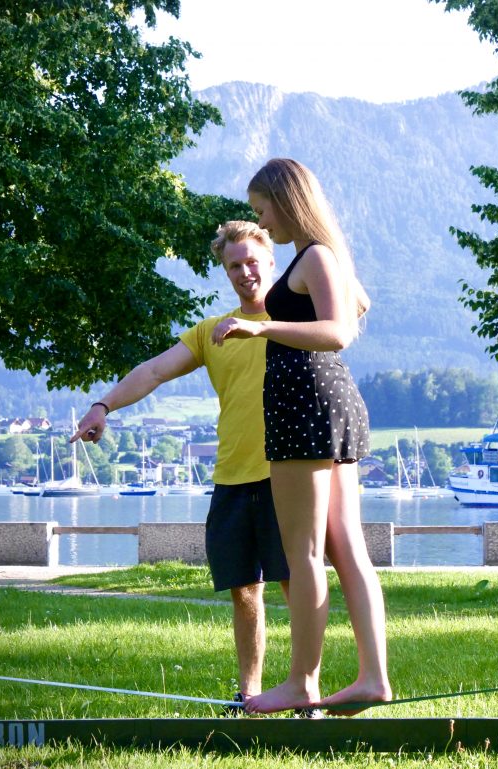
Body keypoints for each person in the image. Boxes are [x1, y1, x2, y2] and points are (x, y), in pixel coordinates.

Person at [71, 221, 293, 712]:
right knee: (244, 590)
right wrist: (102, 406)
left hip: (287, 475)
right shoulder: (211, 332)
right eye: (234, 265)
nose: (244, 272)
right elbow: (153, 370)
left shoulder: (298, 320)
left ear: (272, 260)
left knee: (294, 585)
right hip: (232, 479)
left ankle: (305, 690)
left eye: (252, 261)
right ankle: (250, 695)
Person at [211, 158, 391, 715]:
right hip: (328, 404)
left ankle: (302, 683)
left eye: (263, 209)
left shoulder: (314, 256)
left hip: (305, 409)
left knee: (305, 553)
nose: (261, 221)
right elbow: (355, 305)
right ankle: (372, 678)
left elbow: (338, 332)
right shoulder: (322, 258)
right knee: (345, 548)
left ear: (287, 201)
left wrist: (260, 325)